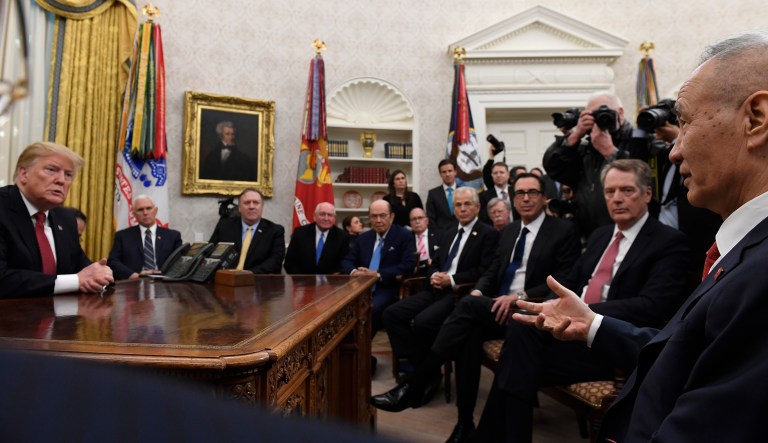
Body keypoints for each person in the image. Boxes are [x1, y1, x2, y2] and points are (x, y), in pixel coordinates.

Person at [510, 32, 768, 443]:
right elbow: (687, 348)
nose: (673, 151)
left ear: (755, 119)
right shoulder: (741, 247)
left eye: (685, 123)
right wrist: (592, 323)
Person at [475, 159, 692, 442]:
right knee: (520, 343)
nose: (617, 198)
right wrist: (553, 308)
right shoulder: (600, 236)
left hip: (608, 345)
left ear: (647, 194)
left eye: (627, 190)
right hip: (567, 336)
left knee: (515, 364)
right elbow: (569, 284)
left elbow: (653, 305)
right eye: (610, 191)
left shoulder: (669, 242)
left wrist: (584, 313)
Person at [371, 173, 581, 443]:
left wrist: (520, 296)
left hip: (533, 312)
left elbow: (565, 280)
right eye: (520, 193)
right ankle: (464, 422)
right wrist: (480, 291)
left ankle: (415, 385)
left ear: (544, 198)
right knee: (466, 334)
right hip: (498, 309)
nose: (526, 198)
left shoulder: (563, 230)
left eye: (532, 192)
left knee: (465, 314)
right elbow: (492, 271)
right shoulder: (510, 231)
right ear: (513, 198)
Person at [382, 187, 498, 399]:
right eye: (458, 205)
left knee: (423, 322)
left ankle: (424, 375)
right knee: (392, 314)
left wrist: (451, 279)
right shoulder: (448, 231)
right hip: (435, 289)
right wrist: (434, 275)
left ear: (477, 207)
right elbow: (434, 262)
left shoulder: (487, 233)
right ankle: (419, 367)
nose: (462, 209)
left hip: (459, 294)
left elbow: (484, 271)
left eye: (467, 204)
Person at [0, 141, 113, 298]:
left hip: (61, 312)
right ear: (24, 174)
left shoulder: (66, 218)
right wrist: (76, 281)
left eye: (68, 175)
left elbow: (82, 268)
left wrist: (101, 274)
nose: (61, 180)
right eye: (51, 170)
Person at [543, 91, 637, 239]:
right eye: (594, 115)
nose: (601, 118)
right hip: (589, 236)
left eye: (606, 112)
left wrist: (609, 151)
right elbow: (553, 168)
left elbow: (641, 180)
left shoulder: (638, 140)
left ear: (620, 113)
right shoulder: (586, 148)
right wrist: (575, 135)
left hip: (629, 234)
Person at [340, 200, 416, 337]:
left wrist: (378, 274)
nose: (378, 220)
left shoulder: (403, 235)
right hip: (360, 287)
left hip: (387, 288)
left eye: (383, 215)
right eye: (374, 216)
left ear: (392, 216)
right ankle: (347, 348)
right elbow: (346, 261)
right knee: (338, 309)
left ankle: (361, 348)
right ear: (369, 218)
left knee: (370, 309)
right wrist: (355, 272)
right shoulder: (363, 238)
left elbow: (408, 265)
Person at [209, 188, 285, 274]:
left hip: (258, 279)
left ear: (262, 207)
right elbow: (210, 255)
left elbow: (275, 262)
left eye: (256, 203)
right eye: (247, 203)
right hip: (226, 278)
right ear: (239, 208)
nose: (251, 207)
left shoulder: (275, 231)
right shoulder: (224, 226)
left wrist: (247, 275)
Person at [107, 195, 183, 280]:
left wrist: (164, 275)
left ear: (155, 211)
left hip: (164, 282)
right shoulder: (123, 236)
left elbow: (180, 262)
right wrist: (135, 275)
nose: (145, 213)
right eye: (140, 210)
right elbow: (113, 261)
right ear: (134, 214)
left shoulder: (173, 236)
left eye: (148, 208)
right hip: (134, 283)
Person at [284, 202, 348, 274]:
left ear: (334, 218)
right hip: (302, 279)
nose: (326, 218)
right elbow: (290, 263)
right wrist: (302, 279)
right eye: (322, 214)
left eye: (330, 215)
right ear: (314, 216)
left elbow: (343, 264)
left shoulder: (342, 236)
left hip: (330, 280)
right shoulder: (300, 233)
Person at [425, 159, 458, 231]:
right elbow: (431, 219)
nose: (447, 174)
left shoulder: (465, 192)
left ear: (455, 172)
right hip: (441, 234)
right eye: (444, 172)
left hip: (462, 233)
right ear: (440, 174)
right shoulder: (433, 194)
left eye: (450, 171)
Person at [409, 207, 441, 277]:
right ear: (410, 223)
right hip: (414, 275)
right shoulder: (407, 239)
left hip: (434, 272)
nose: (417, 221)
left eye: (420, 218)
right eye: (414, 219)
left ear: (427, 220)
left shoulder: (439, 236)